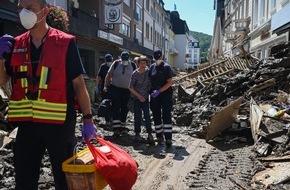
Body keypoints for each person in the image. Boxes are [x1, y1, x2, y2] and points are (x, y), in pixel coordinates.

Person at [0, 0, 96, 189]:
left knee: (64, 180)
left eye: (29, 8)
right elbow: (2, 82)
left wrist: (88, 119)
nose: (23, 13)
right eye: (21, 8)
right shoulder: (15, 44)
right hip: (27, 125)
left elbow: (78, 84)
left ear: (44, 11)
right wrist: (0, 58)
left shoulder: (65, 43)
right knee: (24, 181)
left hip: (59, 124)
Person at [104, 51, 136, 137]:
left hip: (127, 90)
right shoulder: (116, 63)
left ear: (129, 58)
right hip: (116, 89)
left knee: (125, 108)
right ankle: (116, 128)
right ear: (121, 58)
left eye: (126, 59)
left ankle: (122, 126)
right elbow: (108, 75)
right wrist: (105, 86)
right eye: (123, 59)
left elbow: (136, 77)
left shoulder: (132, 65)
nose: (124, 60)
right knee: (116, 107)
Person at [149, 50, 173, 147]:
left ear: (162, 57)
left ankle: (168, 138)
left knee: (166, 115)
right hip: (155, 95)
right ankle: (159, 136)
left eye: (159, 58)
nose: (157, 60)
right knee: (156, 114)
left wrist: (160, 91)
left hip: (165, 94)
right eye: (156, 59)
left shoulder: (166, 67)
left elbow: (170, 82)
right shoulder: (152, 67)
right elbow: (149, 79)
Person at [128, 56, 154, 144]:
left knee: (147, 116)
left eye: (144, 63)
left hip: (146, 99)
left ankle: (150, 134)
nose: (143, 65)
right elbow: (130, 87)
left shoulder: (148, 72)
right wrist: (139, 96)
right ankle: (137, 134)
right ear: (138, 64)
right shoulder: (135, 74)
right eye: (141, 63)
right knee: (137, 117)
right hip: (137, 98)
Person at [95, 53, 113, 124]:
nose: (109, 62)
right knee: (105, 103)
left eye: (110, 61)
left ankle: (112, 117)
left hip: (113, 87)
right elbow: (98, 77)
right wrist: (96, 86)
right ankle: (107, 119)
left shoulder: (114, 65)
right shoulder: (103, 67)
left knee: (113, 102)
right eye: (108, 61)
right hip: (104, 88)